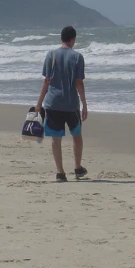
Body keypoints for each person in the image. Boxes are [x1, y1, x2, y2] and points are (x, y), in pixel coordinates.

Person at [34, 26, 88, 182]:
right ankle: (78, 168)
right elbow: (79, 83)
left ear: (61, 38)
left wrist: (39, 104)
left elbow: (46, 81)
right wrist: (84, 104)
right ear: (73, 39)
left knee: (56, 139)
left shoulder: (51, 55)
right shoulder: (78, 57)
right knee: (76, 136)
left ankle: (60, 172)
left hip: (53, 103)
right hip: (71, 104)